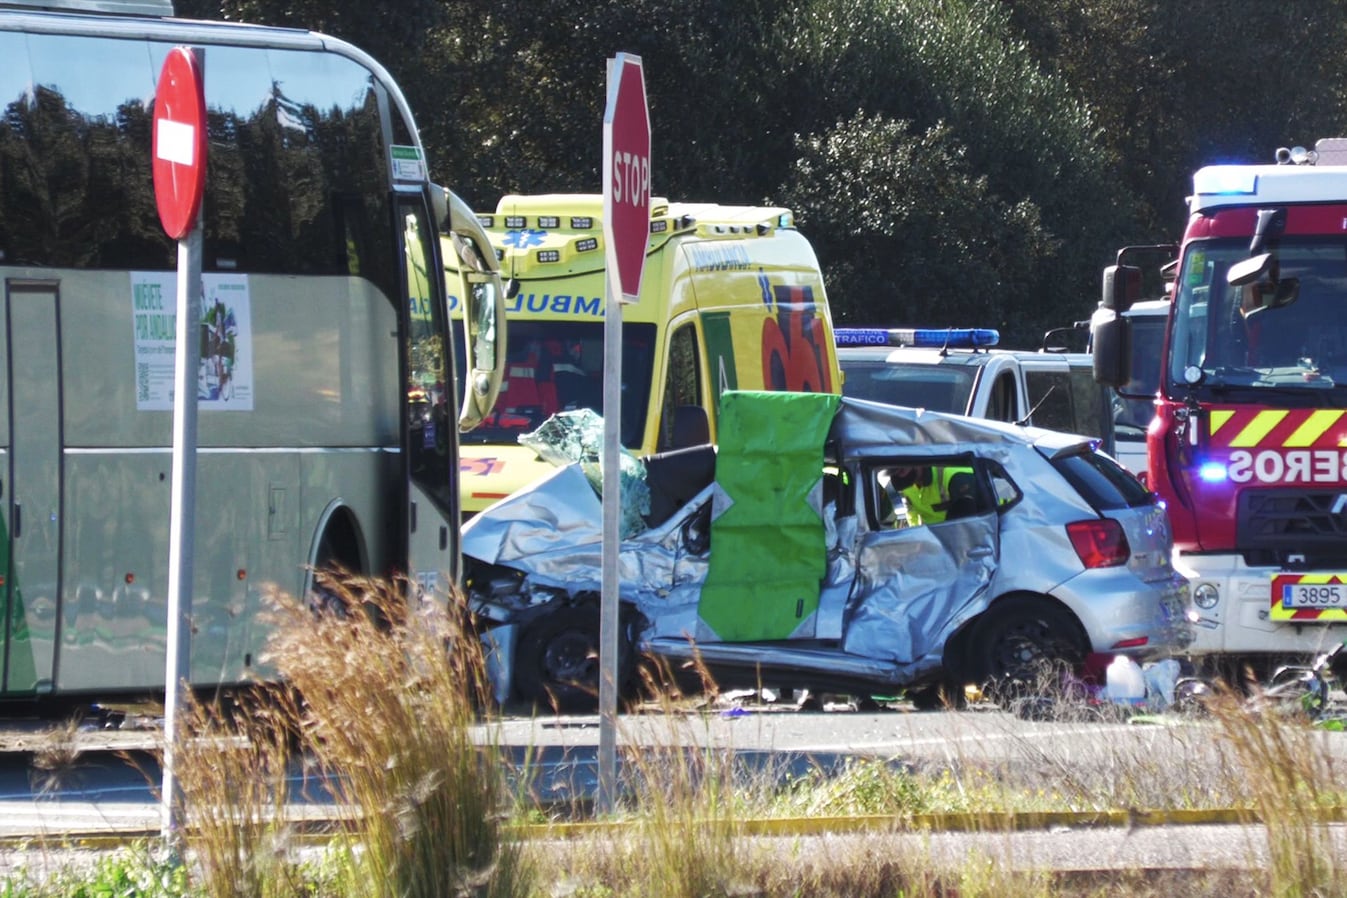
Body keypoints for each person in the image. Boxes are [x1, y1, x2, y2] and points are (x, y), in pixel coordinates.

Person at [882, 464, 976, 527]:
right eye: (893, 474)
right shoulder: (908, 486)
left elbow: (968, 524)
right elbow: (912, 512)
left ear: (917, 464)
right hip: (932, 539)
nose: (898, 477)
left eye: (901, 471)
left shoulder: (953, 476)